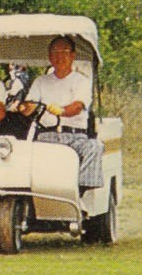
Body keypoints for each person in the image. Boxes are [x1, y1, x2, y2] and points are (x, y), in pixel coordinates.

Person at [22, 35, 102, 192]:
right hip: (46, 136)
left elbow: (78, 106)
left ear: (73, 56)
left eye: (64, 51)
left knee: (94, 147)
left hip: (75, 137)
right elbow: (29, 107)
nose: (59, 55)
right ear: (49, 57)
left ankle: (80, 194)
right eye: (55, 51)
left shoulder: (81, 81)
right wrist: (22, 107)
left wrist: (62, 111)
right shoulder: (41, 81)